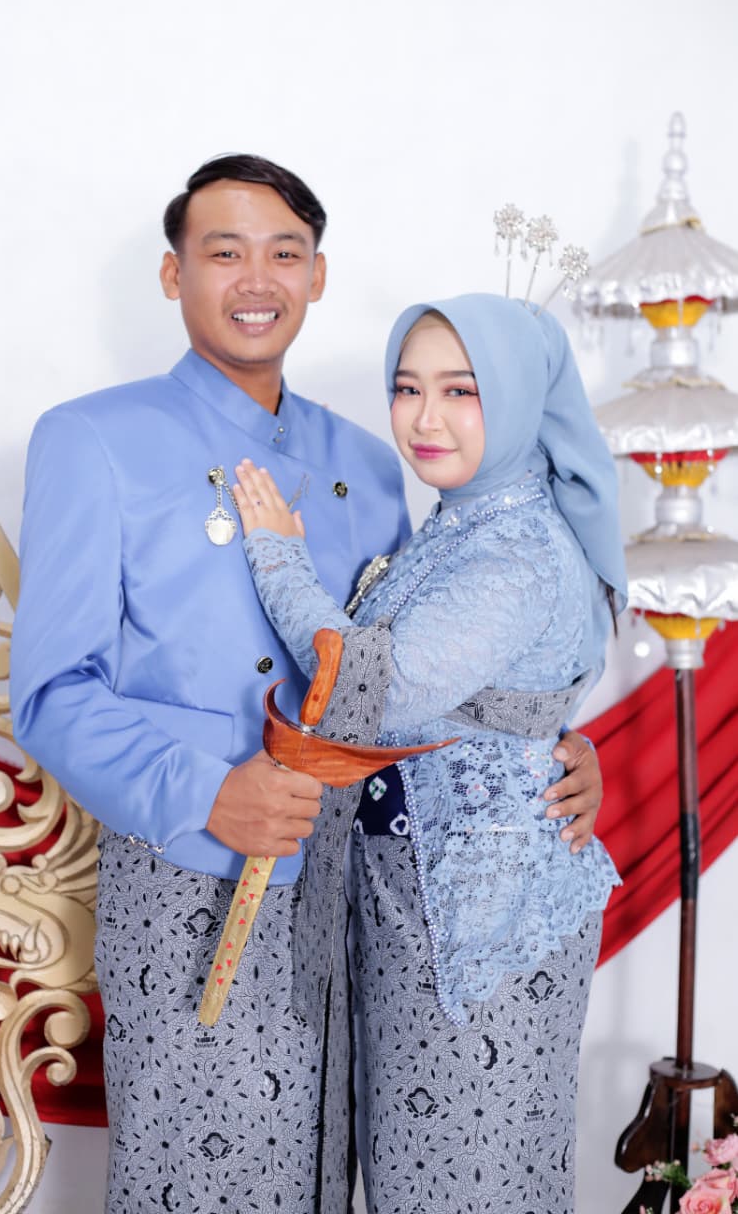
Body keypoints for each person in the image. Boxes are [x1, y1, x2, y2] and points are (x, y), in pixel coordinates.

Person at [9, 155, 606, 1213]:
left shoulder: (368, 461)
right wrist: (204, 792)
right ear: (173, 272)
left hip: (360, 894)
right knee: (207, 1181)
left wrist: (548, 744)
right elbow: (53, 692)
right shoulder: (92, 438)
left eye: (284, 252)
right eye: (223, 251)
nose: (257, 278)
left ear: (316, 275)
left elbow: (421, 671)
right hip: (190, 878)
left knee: (333, 1178)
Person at [231, 293, 626, 1213]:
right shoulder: (463, 520)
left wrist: (278, 559)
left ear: (519, 398)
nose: (424, 418)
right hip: (429, 900)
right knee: (421, 1176)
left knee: (468, 1181)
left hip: (483, 924)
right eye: (407, 388)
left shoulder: (514, 549)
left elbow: (378, 693)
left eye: (462, 390)